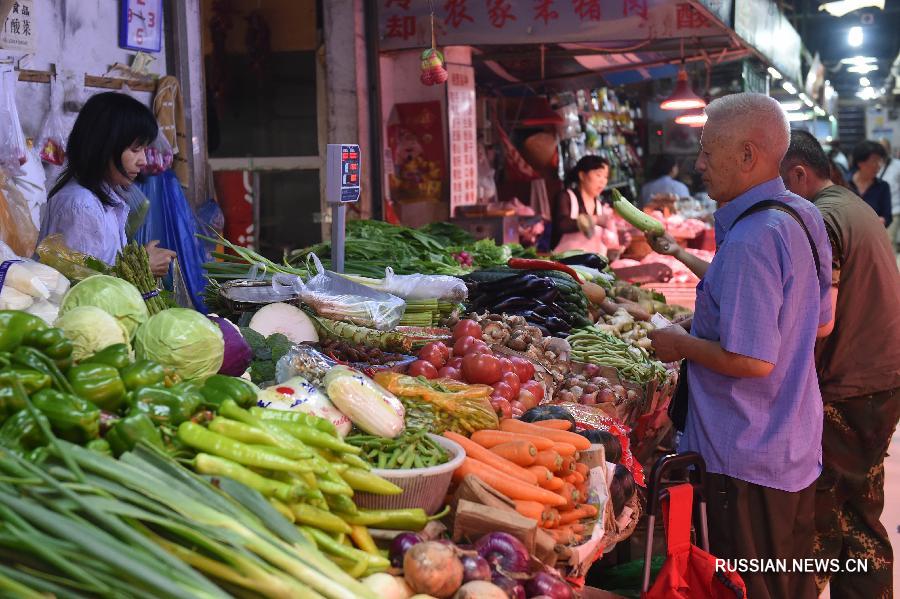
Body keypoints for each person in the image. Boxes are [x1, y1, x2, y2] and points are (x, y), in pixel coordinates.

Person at [646, 93, 833, 599]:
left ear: (748, 156)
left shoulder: (753, 237)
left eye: (708, 151)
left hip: (745, 457)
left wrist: (681, 343)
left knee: (748, 585)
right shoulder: (800, 216)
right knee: (787, 581)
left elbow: (753, 359)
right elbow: (817, 324)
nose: (699, 164)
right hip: (791, 446)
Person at [780, 130, 900, 598]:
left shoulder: (822, 218)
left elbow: (819, 323)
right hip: (878, 379)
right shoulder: (852, 206)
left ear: (798, 173)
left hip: (852, 384)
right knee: (860, 510)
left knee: (825, 515)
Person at [38, 92, 175, 276]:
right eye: (135, 149)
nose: (143, 160)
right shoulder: (81, 205)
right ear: (104, 147)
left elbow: (102, 264)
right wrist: (142, 268)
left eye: (144, 149)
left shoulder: (106, 196)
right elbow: (80, 284)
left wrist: (139, 259)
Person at [551, 155, 620, 255]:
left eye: (605, 177)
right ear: (582, 175)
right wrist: (595, 219)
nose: (602, 181)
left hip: (594, 267)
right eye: (598, 175)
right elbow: (562, 225)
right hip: (567, 265)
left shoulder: (601, 206)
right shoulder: (566, 197)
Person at [848, 141, 892, 227]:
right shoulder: (844, 184)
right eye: (874, 160)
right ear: (860, 162)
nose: (879, 165)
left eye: (880, 161)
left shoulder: (883, 186)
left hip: (873, 235)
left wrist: (882, 220)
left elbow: (887, 217)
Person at [878, 139, 900, 250]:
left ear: (889, 149)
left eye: (884, 148)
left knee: (890, 245)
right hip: (876, 213)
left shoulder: (897, 166)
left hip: (894, 211)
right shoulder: (875, 164)